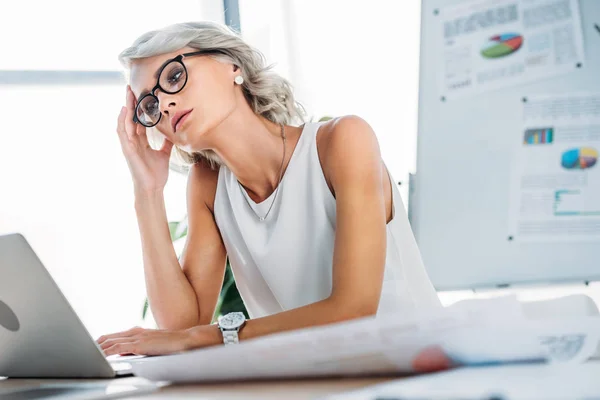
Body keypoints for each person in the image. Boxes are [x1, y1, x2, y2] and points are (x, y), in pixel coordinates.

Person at [96, 21, 446, 370]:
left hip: (416, 373)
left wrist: (207, 337)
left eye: (173, 77)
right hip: (315, 384)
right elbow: (181, 327)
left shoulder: (342, 141)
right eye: (149, 105)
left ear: (231, 64)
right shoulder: (209, 183)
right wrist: (148, 190)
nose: (166, 104)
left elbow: (352, 311)